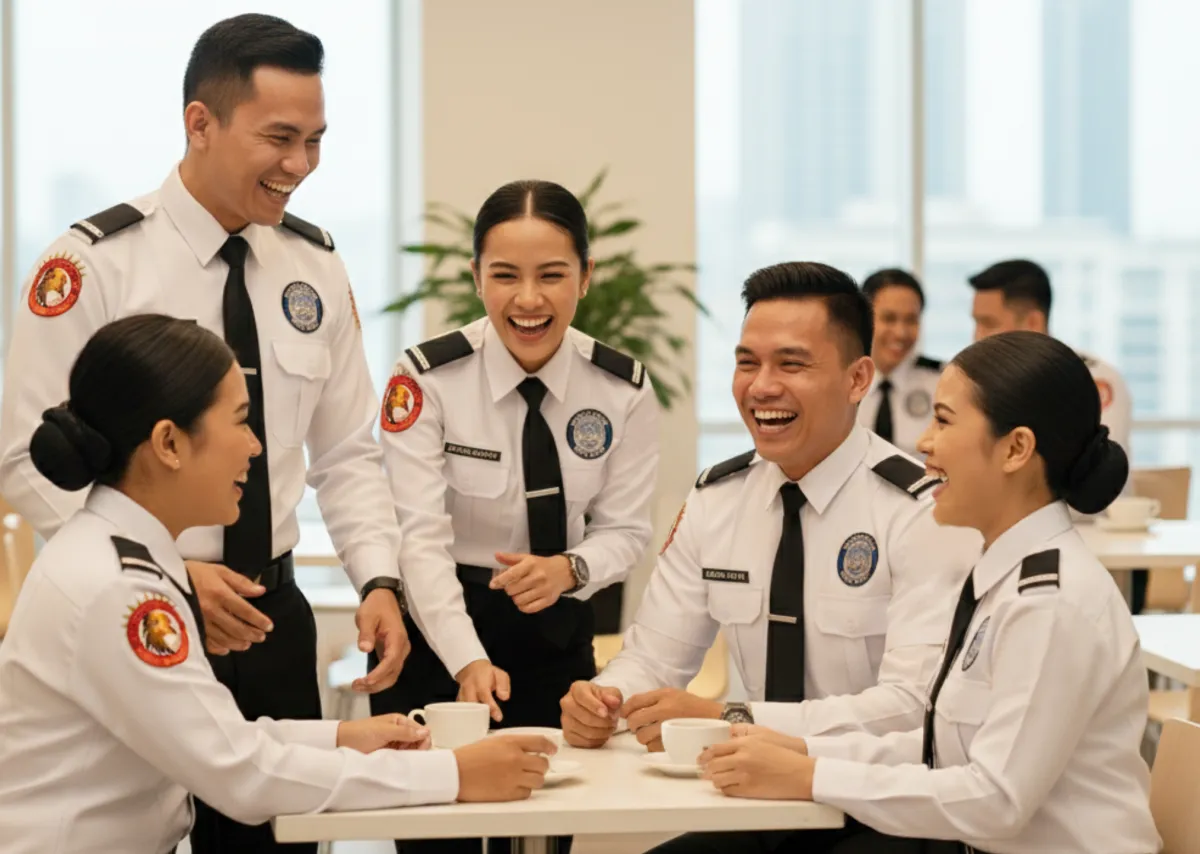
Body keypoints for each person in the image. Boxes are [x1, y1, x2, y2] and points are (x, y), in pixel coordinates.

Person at [0, 16, 411, 852]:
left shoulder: (315, 266)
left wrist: (378, 580)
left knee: (282, 830)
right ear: (200, 124)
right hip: (141, 613)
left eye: (317, 140)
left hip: (272, 613)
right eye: (280, 138)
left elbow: (345, 452)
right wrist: (172, 572)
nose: (300, 165)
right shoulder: (95, 265)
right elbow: (25, 453)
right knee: (131, 824)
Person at [0, 315, 557, 854]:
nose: (255, 447)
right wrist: (450, 773)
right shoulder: (121, 592)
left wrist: (341, 738)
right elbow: (241, 774)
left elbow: (216, 736)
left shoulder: (120, 556)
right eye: (241, 421)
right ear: (169, 444)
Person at [663, 332, 1159, 854]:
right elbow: (942, 749)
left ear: (1015, 448)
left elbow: (995, 798)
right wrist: (798, 751)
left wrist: (809, 776)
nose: (923, 442)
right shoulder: (1005, 575)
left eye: (944, 421)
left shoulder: (1051, 603)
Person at [560, 262, 980, 759]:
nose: (761, 387)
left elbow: (912, 706)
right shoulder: (717, 500)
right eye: (747, 363)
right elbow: (654, 657)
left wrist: (734, 720)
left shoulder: (920, 512)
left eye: (791, 364)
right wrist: (607, 699)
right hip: (751, 796)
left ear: (857, 379)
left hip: (877, 803)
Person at [373, 179, 660, 852]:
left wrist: (570, 568)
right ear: (476, 278)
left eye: (552, 276)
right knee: (433, 839)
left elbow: (627, 531)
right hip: (436, 636)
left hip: (553, 634)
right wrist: (467, 660)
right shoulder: (427, 379)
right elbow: (418, 542)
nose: (528, 300)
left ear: (585, 277)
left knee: (546, 829)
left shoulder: (622, 389)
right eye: (505, 276)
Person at [856, 268, 943, 458]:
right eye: (889, 319)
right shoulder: (841, 381)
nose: (901, 333)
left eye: (911, 320)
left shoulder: (941, 383)